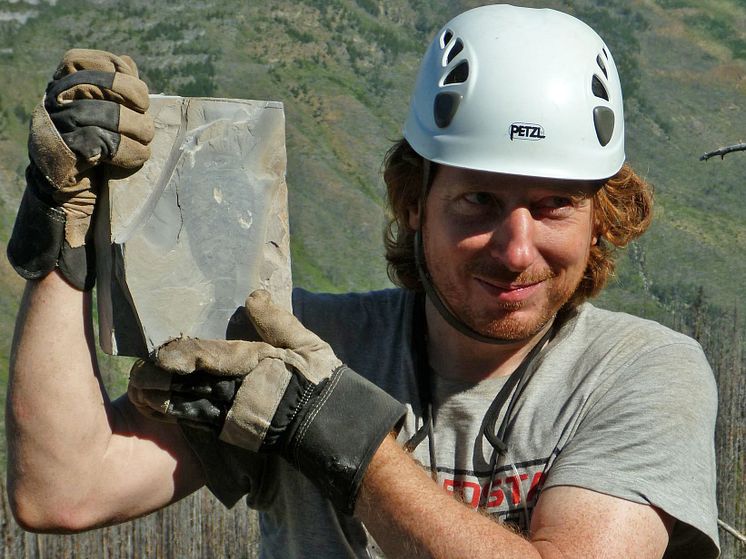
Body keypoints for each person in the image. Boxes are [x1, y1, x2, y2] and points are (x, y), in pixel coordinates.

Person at [5, 5, 719, 558]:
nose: (516, 248)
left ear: (601, 217)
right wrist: (62, 227)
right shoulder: (297, 342)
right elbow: (60, 489)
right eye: (480, 201)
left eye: (554, 204)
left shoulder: (640, 374)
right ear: (415, 202)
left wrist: (333, 427)